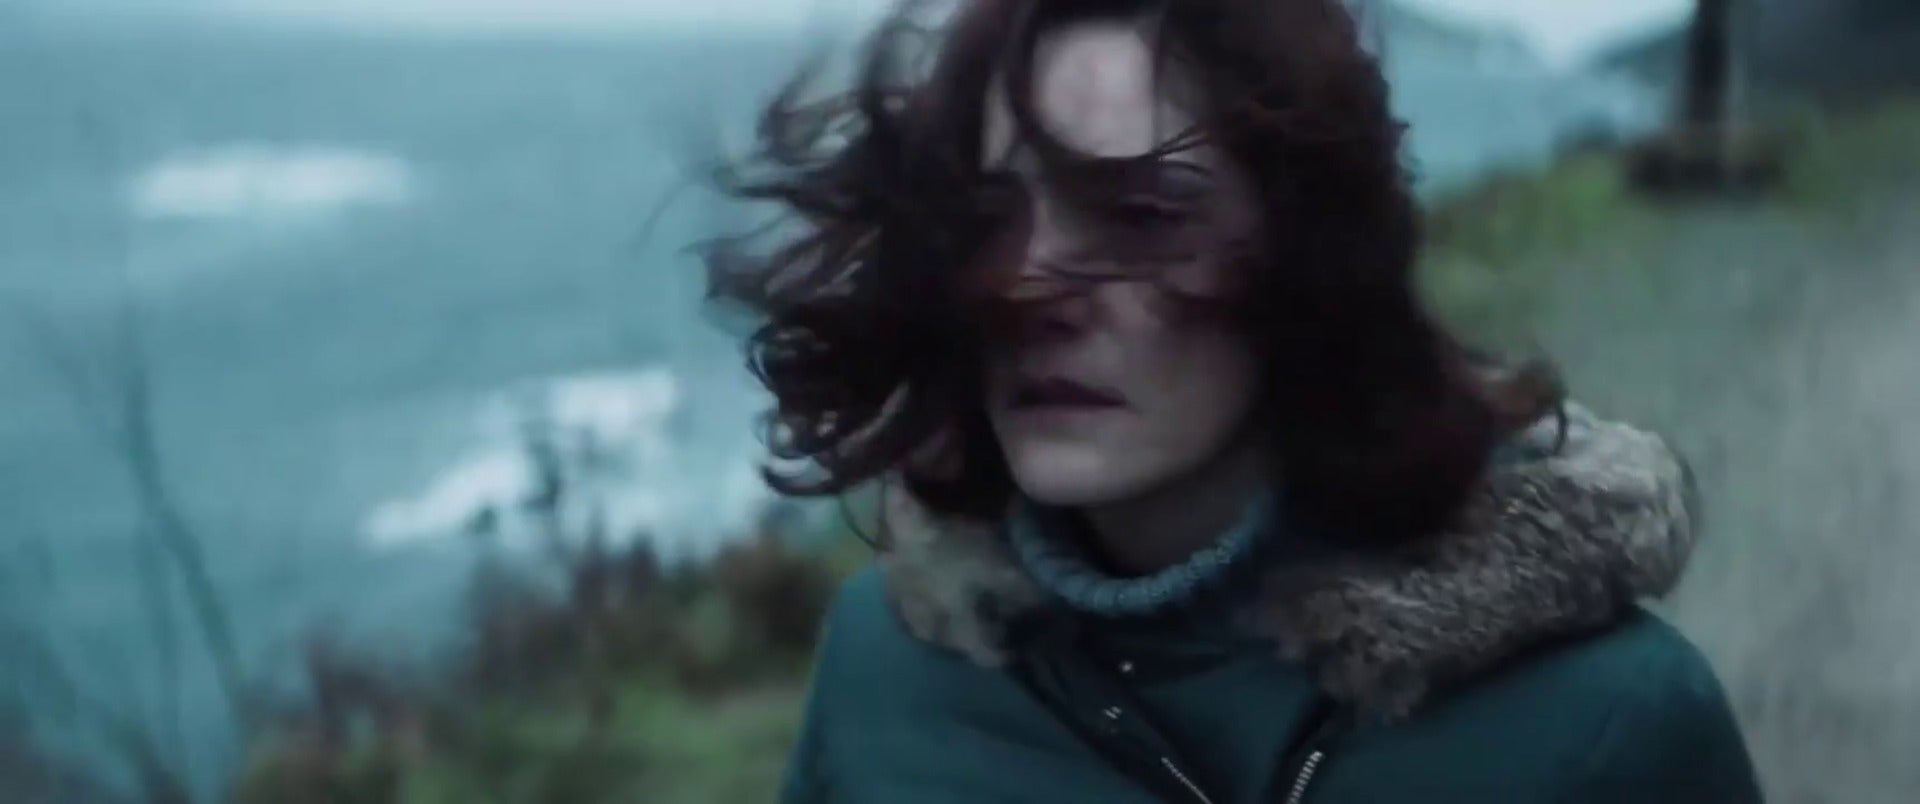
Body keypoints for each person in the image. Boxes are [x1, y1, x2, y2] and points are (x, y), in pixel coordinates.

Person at [704, 0, 1763, 800]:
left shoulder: (1608, 725)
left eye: (1142, 215)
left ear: (1313, 257)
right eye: (989, 218)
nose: (1025, 290)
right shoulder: (890, 671)